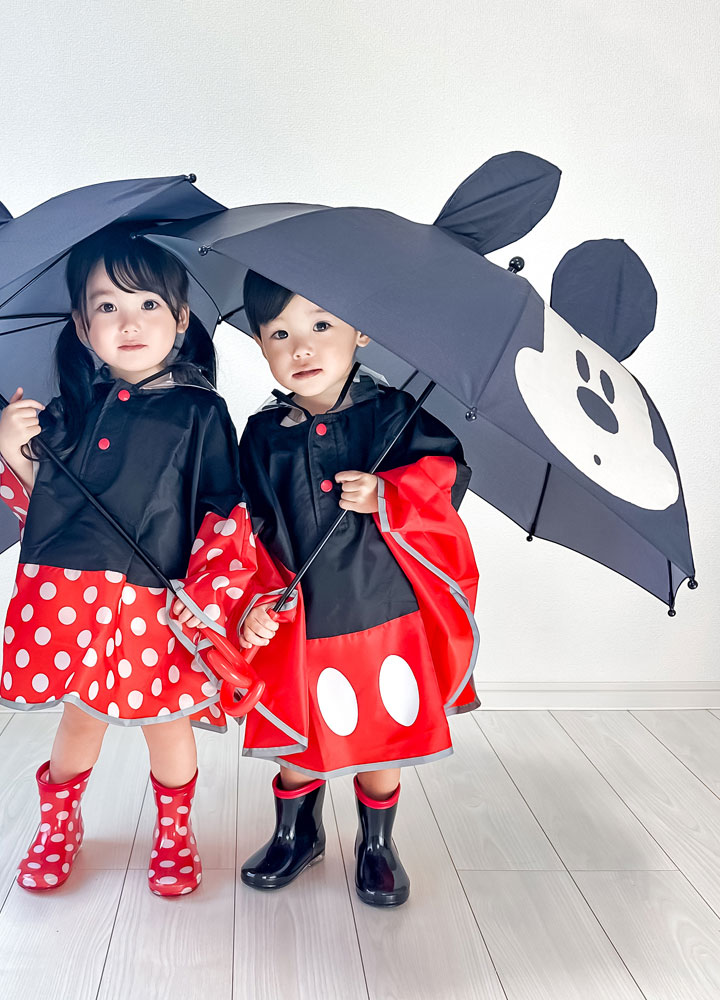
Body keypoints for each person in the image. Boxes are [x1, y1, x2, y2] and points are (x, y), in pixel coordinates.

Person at [0, 226, 254, 897]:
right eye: (107, 306)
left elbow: (224, 509)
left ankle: (174, 832)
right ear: (82, 325)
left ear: (181, 319)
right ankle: (58, 826)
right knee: (79, 716)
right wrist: (16, 451)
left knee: (165, 720)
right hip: (72, 597)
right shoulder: (67, 414)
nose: (129, 323)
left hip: (156, 602)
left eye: (148, 305)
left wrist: (209, 595)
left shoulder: (200, 412)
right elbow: (41, 507)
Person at [234, 271, 480, 907]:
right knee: (298, 735)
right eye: (279, 334)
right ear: (260, 345)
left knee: (382, 729)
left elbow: (446, 478)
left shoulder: (394, 415)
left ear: (361, 330)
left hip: (382, 610)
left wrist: (387, 495)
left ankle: (377, 844)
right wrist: (256, 600)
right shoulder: (262, 435)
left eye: (321, 324)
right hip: (302, 616)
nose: (302, 348)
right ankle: (297, 833)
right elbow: (247, 526)